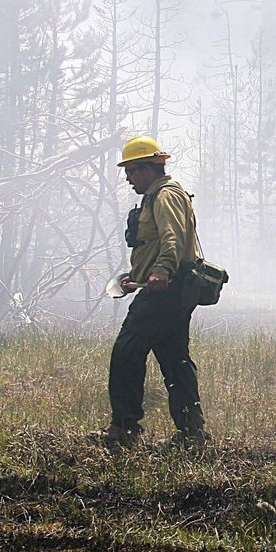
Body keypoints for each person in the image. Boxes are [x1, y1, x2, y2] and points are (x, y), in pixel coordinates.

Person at [103, 135, 207, 449]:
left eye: (132, 171)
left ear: (149, 169)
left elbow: (171, 239)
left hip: (165, 292)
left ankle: (124, 428)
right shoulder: (156, 196)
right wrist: (134, 277)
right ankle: (192, 432)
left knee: (126, 352)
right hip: (169, 290)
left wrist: (161, 271)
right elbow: (155, 245)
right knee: (175, 361)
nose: (128, 177)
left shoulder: (165, 196)